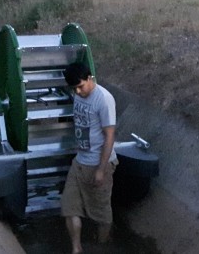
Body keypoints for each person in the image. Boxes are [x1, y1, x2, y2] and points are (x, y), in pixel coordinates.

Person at [61, 62, 118, 254]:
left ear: (90, 78)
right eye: (74, 88)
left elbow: (109, 135)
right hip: (79, 162)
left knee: (101, 212)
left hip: (98, 163)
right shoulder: (79, 96)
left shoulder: (103, 99)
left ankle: (102, 245)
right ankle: (76, 248)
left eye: (81, 86)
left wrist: (101, 169)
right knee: (70, 207)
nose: (78, 91)